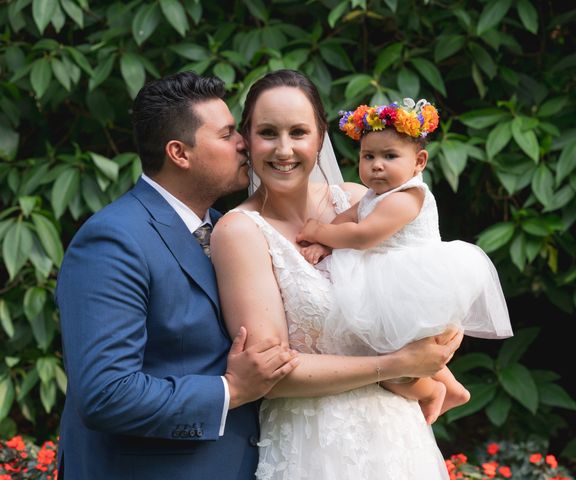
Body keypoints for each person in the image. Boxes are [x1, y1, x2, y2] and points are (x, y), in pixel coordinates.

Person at [210, 69, 464, 479]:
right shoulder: (240, 231)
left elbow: (420, 280)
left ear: (320, 137)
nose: (284, 149)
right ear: (247, 138)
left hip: (398, 435)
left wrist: (444, 337)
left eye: (298, 132)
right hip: (316, 439)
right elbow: (268, 374)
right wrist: (397, 364)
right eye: (268, 133)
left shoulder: (362, 199)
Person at [55, 71, 301, 479]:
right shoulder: (113, 240)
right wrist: (231, 390)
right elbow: (105, 394)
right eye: (226, 135)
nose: (245, 142)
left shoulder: (236, 230)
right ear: (179, 153)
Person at [296, 99, 514, 424]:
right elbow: (348, 217)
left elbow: (363, 235)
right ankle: (451, 386)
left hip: (412, 282)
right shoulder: (373, 195)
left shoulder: (407, 197)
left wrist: (319, 231)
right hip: (386, 279)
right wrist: (324, 244)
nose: (377, 165)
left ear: (419, 162)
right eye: (368, 156)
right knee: (402, 346)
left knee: (395, 366)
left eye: (389, 156)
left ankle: (432, 392)